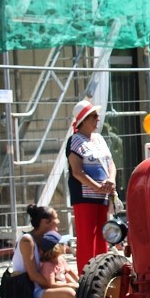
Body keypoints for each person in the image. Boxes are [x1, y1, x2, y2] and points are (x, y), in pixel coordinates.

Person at [67, 99, 116, 273]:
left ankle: (102, 275)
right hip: (85, 196)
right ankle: (86, 278)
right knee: (87, 239)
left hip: (101, 196)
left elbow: (110, 163)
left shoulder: (99, 139)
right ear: (84, 119)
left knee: (103, 237)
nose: (98, 119)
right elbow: (77, 171)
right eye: (94, 116)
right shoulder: (75, 141)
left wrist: (111, 180)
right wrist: (97, 186)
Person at [5, 204, 75, 298]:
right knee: (71, 294)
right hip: (32, 291)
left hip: (46, 286)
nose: (58, 222)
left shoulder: (46, 239)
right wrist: (57, 285)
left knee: (76, 289)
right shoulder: (27, 241)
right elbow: (33, 275)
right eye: (55, 218)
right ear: (45, 222)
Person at [35, 230, 78, 298]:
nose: (66, 245)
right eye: (64, 244)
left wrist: (80, 283)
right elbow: (52, 284)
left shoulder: (60, 259)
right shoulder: (48, 265)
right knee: (70, 293)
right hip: (44, 294)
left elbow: (70, 272)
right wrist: (70, 285)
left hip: (59, 290)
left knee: (72, 284)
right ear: (56, 248)